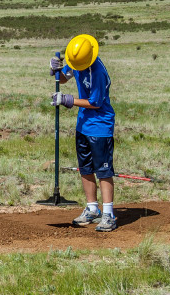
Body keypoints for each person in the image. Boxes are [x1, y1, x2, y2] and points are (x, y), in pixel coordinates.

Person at [50, 34, 116, 232]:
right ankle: (92, 208)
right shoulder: (77, 60)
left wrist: (68, 101)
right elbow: (63, 79)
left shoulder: (98, 71)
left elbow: (95, 103)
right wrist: (54, 70)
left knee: (103, 171)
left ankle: (108, 214)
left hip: (101, 126)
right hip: (83, 124)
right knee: (85, 168)